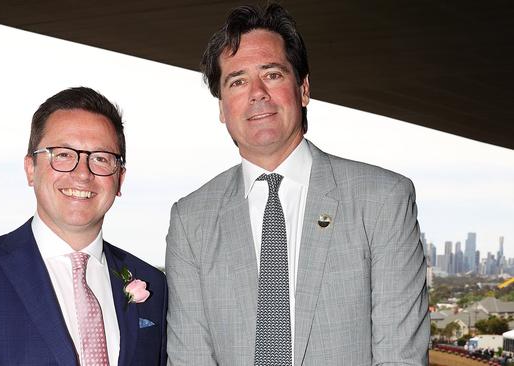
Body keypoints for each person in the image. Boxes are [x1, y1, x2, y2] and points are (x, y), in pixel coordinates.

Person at [165, 3, 428, 365]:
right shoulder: (191, 220)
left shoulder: (383, 200)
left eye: (272, 74)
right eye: (237, 81)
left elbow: (401, 357)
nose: (257, 92)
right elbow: (190, 358)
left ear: (303, 89)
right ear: (222, 108)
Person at [0, 87, 167, 365]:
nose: (82, 174)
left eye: (100, 158)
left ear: (119, 179)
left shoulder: (153, 284)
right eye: (62, 154)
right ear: (30, 169)